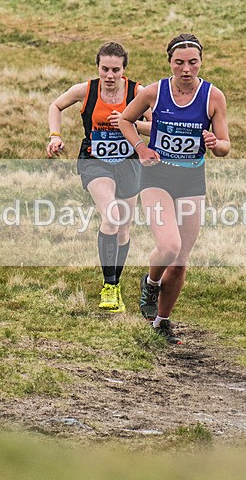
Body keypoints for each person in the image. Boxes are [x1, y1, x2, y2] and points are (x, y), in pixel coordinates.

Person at [118, 34, 230, 344]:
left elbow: (225, 146)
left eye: (192, 62)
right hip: (157, 177)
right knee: (168, 246)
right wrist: (141, 148)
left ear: (201, 63)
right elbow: (125, 120)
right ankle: (151, 283)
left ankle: (161, 323)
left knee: (180, 260)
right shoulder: (154, 92)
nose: (186, 69)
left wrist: (214, 143)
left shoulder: (213, 97)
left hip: (192, 180)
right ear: (170, 62)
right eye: (179, 62)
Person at [47, 42, 151, 313]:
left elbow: (157, 126)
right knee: (112, 216)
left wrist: (131, 123)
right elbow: (55, 106)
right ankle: (108, 286)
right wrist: (55, 136)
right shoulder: (86, 90)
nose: (109, 75)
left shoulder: (138, 92)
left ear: (124, 70)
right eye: (105, 69)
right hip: (95, 162)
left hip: (129, 162)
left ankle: (115, 286)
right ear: (98, 67)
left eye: (116, 70)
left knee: (124, 229)